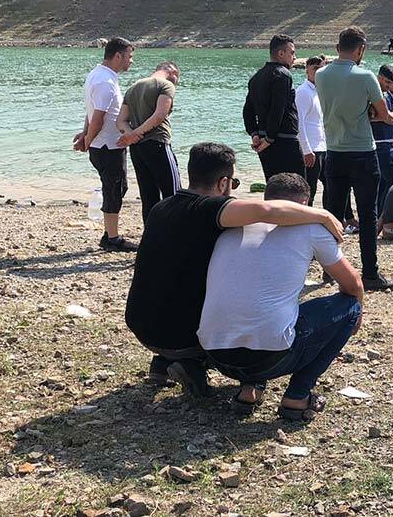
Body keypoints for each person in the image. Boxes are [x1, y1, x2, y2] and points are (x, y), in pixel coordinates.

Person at [125, 143, 344, 397]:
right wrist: (322, 215)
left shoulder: (161, 208)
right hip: (181, 334)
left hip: (141, 324)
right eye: (234, 184)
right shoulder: (208, 209)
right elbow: (267, 210)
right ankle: (189, 362)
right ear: (223, 183)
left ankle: (164, 362)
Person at [199, 173, 363, 421]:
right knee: (350, 307)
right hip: (270, 358)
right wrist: (357, 317)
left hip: (217, 354)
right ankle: (298, 395)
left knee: (259, 304)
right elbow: (353, 284)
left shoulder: (233, 227)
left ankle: (249, 389)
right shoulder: (311, 228)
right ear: (305, 205)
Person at [315, 26, 393, 291]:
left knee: (333, 214)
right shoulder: (365, 76)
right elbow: (384, 115)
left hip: (334, 152)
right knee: (367, 213)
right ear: (361, 49)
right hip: (362, 151)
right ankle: (370, 274)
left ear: (338, 46)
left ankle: (329, 270)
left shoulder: (320, 74)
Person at [73, 37, 137, 251]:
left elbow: (90, 111)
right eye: (129, 56)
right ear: (117, 56)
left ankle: (110, 234)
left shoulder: (99, 75)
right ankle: (112, 238)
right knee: (114, 189)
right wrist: (87, 141)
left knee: (117, 187)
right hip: (107, 147)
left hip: (105, 145)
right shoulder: (105, 82)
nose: (131, 61)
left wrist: (85, 134)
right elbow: (98, 117)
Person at [117, 61, 181, 224]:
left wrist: (131, 135)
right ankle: (175, 236)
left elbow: (121, 120)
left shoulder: (133, 87)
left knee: (148, 195)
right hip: (158, 142)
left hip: (137, 149)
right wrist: (137, 133)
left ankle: (150, 237)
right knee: (173, 193)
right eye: (177, 78)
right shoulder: (166, 85)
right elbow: (159, 115)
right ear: (172, 71)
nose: (176, 82)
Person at [243, 34, 304, 179]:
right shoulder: (283, 75)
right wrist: (270, 138)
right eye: (292, 53)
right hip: (284, 140)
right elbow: (278, 109)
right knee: (297, 188)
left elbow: (247, 111)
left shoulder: (256, 77)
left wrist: (255, 134)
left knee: (274, 187)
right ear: (281, 53)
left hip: (265, 142)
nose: (294, 57)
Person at [295, 55, 330, 206]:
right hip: (311, 150)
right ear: (307, 71)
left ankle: (329, 215)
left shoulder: (319, 92)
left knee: (330, 183)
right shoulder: (303, 92)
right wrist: (306, 150)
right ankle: (305, 220)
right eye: (315, 68)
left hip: (322, 147)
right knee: (310, 188)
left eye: (321, 68)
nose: (318, 72)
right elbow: (299, 123)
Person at [373, 65, 393, 216]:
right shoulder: (373, 94)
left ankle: (381, 216)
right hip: (380, 144)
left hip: (390, 143)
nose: (388, 86)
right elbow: (370, 117)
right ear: (379, 77)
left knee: (385, 185)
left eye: (390, 83)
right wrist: (388, 117)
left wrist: (389, 116)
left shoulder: (388, 95)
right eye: (386, 82)